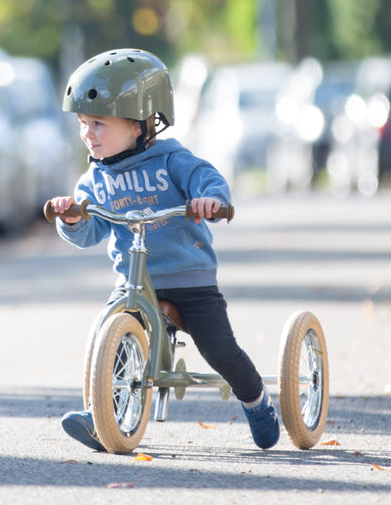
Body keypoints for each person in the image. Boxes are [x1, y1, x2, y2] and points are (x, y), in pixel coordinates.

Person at [48, 48, 279, 451]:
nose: (88, 133)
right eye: (84, 124)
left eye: (99, 123)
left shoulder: (172, 160)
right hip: (134, 281)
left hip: (188, 277)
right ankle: (104, 416)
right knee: (109, 333)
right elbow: (91, 231)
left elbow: (207, 180)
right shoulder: (95, 178)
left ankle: (257, 402)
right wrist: (72, 220)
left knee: (220, 351)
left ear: (139, 125)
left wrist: (208, 200)